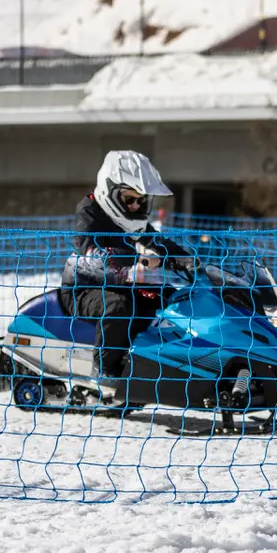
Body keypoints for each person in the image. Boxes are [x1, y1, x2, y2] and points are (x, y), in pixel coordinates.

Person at [59, 150, 190, 389]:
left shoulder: (130, 218)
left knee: (170, 297)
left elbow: (155, 240)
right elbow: (90, 253)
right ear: (110, 192)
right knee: (119, 306)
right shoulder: (90, 213)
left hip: (121, 283)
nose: (136, 205)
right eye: (129, 199)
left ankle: (169, 363)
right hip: (84, 289)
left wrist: (186, 260)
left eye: (141, 200)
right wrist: (135, 261)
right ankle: (105, 370)